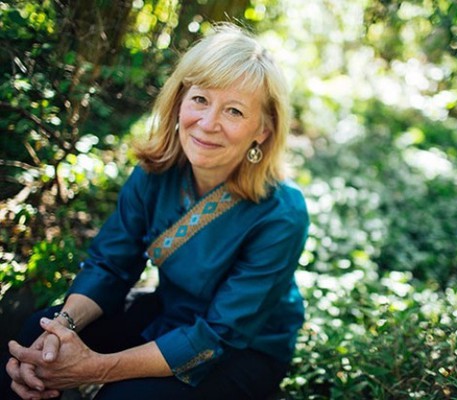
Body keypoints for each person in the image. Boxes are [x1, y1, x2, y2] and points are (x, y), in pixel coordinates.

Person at [1, 23, 309, 400]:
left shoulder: (282, 214)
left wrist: (93, 368)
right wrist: (61, 329)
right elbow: (111, 266)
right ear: (180, 100)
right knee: (37, 334)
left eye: (233, 111)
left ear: (263, 130)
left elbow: (218, 335)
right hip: (169, 312)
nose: (208, 124)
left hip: (243, 350)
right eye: (200, 100)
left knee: (125, 397)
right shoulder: (155, 174)